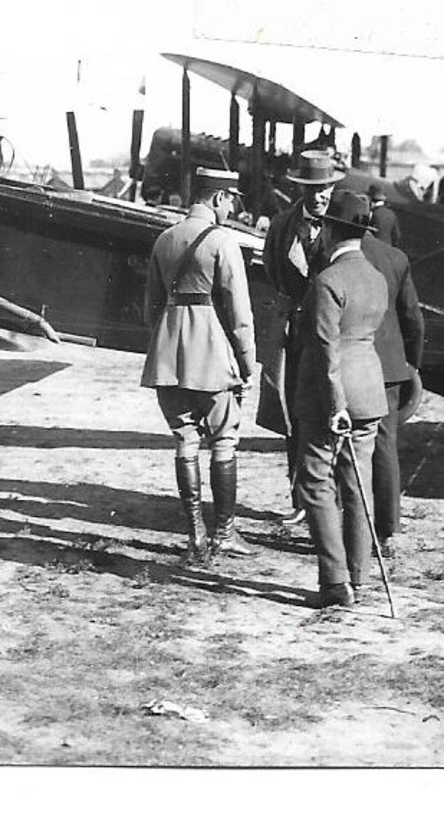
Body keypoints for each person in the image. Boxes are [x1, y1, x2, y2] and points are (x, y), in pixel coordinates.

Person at [142, 167, 258, 565]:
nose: (232, 208)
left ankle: (195, 534)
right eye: (231, 200)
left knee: (185, 440)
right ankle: (224, 534)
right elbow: (241, 317)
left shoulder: (164, 238)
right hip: (211, 355)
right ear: (219, 198)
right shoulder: (223, 243)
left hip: (168, 355)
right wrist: (247, 364)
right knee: (224, 438)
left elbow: (150, 308)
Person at [289, 191, 390, 607]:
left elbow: (326, 349)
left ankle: (334, 584)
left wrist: (335, 406)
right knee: (357, 484)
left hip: (331, 395)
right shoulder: (377, 277)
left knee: (315, 482)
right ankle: (359, 577)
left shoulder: (328, 281)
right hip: (370, 389)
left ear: (329, 230)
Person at [260, 153, 342, 524]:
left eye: (325, 188)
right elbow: (273, 271)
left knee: (333, 412)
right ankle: (301, 499)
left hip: (334, 335)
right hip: (295, 335)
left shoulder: (343, 227)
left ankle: (332, 499)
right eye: (312, 189)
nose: (320, 196)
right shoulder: (281, 226)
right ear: (300, 189)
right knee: (294, 414)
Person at [355, 228, 424, 557]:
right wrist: (413, 362)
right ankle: (389, 528)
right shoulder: (396, 257)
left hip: (351, 362)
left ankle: (352, 529)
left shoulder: (335, 255)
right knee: (385, 444)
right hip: (390, 366)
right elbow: (412, 315)